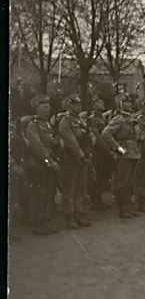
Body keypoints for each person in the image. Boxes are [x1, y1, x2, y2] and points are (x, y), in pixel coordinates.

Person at [24, 94, 61, 235]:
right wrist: (50, 162)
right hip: (39, 164)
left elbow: (51, 144)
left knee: (48, 193)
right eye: (44, 106)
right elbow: (37, 147)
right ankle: (37, 223)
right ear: (36, 108)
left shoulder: (48, 125)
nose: (48, 109)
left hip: (49, 164)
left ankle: (45, 220)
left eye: (49, 106)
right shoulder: (32, 125)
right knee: (38, 194)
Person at [101, 92, 142, 219]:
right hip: (124, 154)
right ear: (120, 105)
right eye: (125, 103)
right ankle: (122, 208)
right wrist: (117, 147)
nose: (129, 105)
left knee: (130, 182)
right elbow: (105, 134)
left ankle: (128, 206)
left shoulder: (132, 119)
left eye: (130, 102)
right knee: (122, 182)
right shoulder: (118, 119)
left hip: (134, 152)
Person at [57, 93, 93, 228]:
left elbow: (87, 137)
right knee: (69, 189)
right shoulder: (65, 121)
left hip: (82, 158)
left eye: (79, 104)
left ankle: (79, 213)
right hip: (70, 159)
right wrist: (81, 155)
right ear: (69, 106)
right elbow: (70, 141)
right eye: (75, 104)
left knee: (80, 188)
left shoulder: (81, 121)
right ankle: (69, 215)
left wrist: (88, 153)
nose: (79, 106)